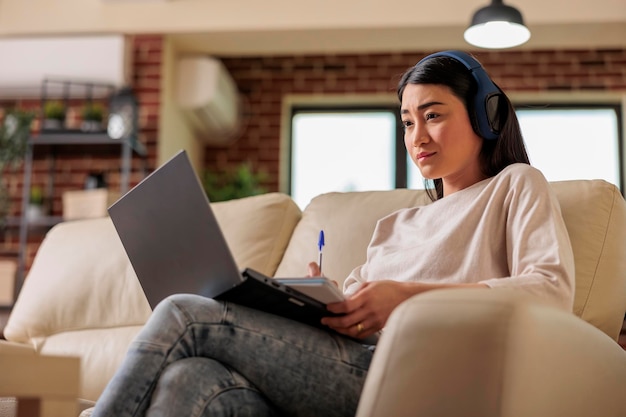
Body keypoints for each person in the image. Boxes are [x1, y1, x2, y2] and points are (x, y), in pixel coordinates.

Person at [91, 50, 574, 417]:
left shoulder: (515, 185)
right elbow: (362, 312)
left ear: (485, 116)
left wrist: (405, 297)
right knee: (188, 379)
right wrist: (322, 301)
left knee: (183, 313)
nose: (417, 137)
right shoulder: (395, 226)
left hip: (412, 375)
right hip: (347, 365)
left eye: (433, 115)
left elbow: (550, 292)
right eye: (407, 122)